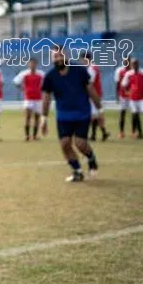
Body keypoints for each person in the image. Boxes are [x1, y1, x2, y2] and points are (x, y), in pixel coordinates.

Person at [40, 46, 102, 182]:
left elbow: (91, 90)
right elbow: (46, 98)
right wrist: (43, 119)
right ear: (52, 59)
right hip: (63, 115)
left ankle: (91, 158)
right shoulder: (50, 76)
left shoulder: (80, 70)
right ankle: (77, 171)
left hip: (82, 113)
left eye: (61, 55)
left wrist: (99, 110)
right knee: (64, 144)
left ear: (66, 56)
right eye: (56, 56)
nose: (59, 58)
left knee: (80, 143)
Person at [121, 58, 143, 140]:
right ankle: (137, 133)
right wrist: (127, 92)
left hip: (142, 98)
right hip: (133, 98)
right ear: (132, 65)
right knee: (135, 115)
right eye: (133, 64)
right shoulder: (128, 74)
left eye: (136, 63)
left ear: (138, 64)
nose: (135, 65)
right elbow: (123, 84)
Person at [13, 58, 44, 141]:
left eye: (34, 63)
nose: (32, 65)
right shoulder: (24, 73)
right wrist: (23, 89)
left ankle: (34, 136)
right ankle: (27, 135)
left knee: (37, 117)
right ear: (28, 64)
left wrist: (42, 90)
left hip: (38, 98)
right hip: (28, 99)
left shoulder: (41, 74)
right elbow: (16, 81)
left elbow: (46, 84)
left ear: (36, 64)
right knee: (28, 117)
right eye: (31, 63)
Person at [81, 51, 110, 141]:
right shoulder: (94, 67)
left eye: (82, 59)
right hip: (96, 94)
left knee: (93, 115)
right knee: (95, 115)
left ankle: (94, 135)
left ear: (86, 59)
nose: (82, 61)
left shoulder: (91, 69)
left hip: (94, 95)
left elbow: (90, 83)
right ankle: (102, 133)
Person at [114, 57, 132, 138]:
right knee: (122, 113)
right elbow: (117, 84)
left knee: (134, 114)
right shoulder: (119, 70)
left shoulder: (133, 70)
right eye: (125, 61)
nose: (126, 62)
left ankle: (134, 132)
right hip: (123, 95)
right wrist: (117, 96)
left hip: (132, 96)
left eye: (128, 61)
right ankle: (121, 132)